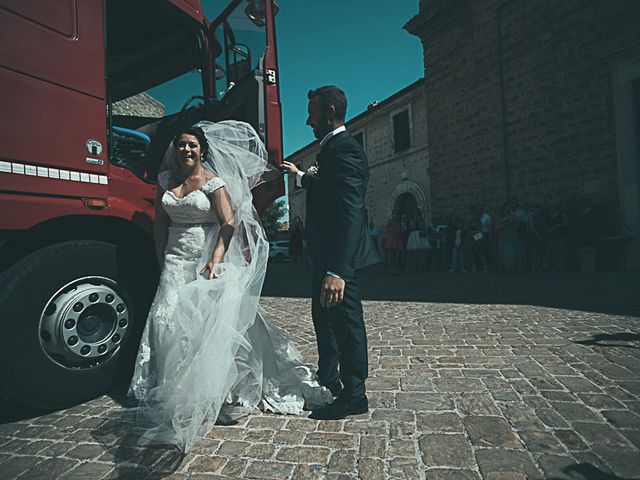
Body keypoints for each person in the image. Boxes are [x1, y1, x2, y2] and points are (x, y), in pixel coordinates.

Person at [125, 122, 331, 453]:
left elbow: (229, 222)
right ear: (174, 149)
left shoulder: (213, 182)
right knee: (166, 323)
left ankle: (205, 395)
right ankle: (172, 393)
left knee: (200, 328)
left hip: (205, 260)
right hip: (174, 262)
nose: (187, 149)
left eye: (193, 145)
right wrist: (161, 259)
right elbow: (161, 223)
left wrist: (216, 258)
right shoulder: (164, 182)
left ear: (202, 150)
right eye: (182, 144)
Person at [281, 85, 375, 420]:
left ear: (330, 112)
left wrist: (338, 271)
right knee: (324, 319)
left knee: (347, 322)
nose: (307, 121)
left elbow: (352, 212)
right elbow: (326, 184)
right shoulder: (331, 149)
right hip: (323, 257)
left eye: (312, 113)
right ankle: (330, 377)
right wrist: (302, 176)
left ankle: (355, 396)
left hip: (338, 260)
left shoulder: (345, 148)